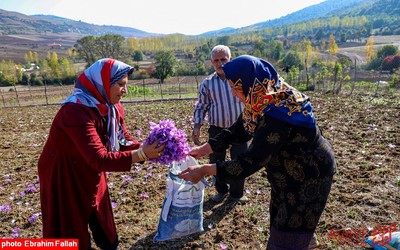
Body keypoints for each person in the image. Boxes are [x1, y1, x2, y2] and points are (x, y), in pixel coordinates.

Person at [180, 55, 337, 249]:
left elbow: (249, 162)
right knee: (282, 224)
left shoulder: (277, 113)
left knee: (285, 238)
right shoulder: (259, 101)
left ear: (249, 84)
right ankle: (303, 239)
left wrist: (204, 170)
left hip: (308, 176)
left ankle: (300, 240)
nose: (233, 93)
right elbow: (238, 130)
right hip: (286, 176)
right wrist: (203, 149)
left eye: (236, 88)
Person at [38, 58, 164, 250]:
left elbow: (123, 141)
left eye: (126, 85)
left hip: (91, 169)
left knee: (101, 218)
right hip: (64, 174)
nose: (125, 90)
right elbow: (98, 157)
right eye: (120, 85)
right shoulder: (76, 111)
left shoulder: (112, 107)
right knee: (70, 224)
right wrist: (143, 154)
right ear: (103, 83)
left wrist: (151, 147)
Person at [192, 45, 248, 203]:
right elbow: (202, 106)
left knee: (239, 161)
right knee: (216, 161)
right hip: (217, 128)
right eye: (216, 60)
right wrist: (197, 126)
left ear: (230, 59)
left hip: (240, 128)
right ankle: (221, 191)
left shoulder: (239, 79)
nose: (220, 63)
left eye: (223, 59)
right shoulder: (207, 83)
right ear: (211, 62)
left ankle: (237, 194)